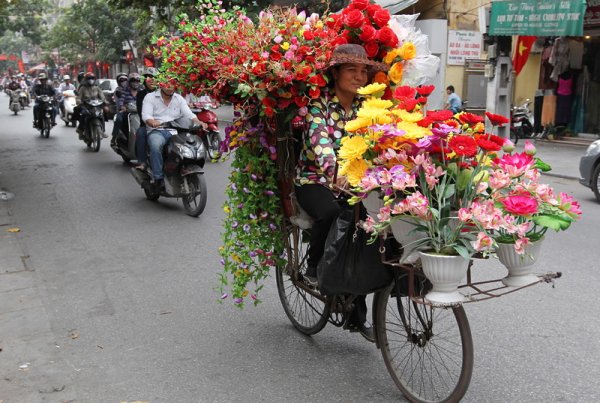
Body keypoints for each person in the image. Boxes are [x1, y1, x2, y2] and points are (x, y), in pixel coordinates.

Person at [294, 44, 388, 342]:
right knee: (334, 213)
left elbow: (381, 142)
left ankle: (355, 308)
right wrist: (340, 176)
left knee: (367, 230)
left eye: (363, 71)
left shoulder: (367, 108)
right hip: (314, 180)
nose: (359, 77)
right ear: (335, 72)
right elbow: (321, 146)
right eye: (351, 70)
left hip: (356, 184)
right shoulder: (318, 106)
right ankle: (313, 266)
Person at [141, 80, 202, 188]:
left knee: (190, 145)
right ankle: (158, 178)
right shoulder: (150, 97)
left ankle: (181, 168)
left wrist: (199, 122)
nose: (170, 87)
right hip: (158, 131)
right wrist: (152, 122)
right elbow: (146, 115)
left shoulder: (179, 98)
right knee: (155, 146)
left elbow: (188, 114)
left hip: (176, 131)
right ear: (161, 84)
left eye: (173, 84)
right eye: (167, 84)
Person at [134, 67, 158, 169]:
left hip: (165, 124)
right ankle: (142, 162)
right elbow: (141, 113)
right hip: (147, 124)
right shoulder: (141, 94)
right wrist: (151, 121)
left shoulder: (164, 92)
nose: (151, 81)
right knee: (140, 133)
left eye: (154, 78)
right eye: (148, 78)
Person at [111, 72, 140, 146]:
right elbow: (121, 101)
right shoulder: (123, 90)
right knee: (119, 119)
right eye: (133, 81)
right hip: (127, 111)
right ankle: (114, 138)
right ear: (129, 82)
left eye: (137, 81)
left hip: (138, 112)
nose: (135, 83)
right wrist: (122, 107)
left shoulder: (141, 91)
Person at [75, 72, 107, 139]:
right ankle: (80, 130)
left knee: (101, 115)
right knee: (83, 115)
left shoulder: (97, 88)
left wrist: (105, 102)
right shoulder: (82, 88)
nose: (91, 80)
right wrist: (79, 102)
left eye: (92, 78)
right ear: (86, 79)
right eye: (89, 78)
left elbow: (102, 97)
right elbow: (78, 97)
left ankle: (103, 131)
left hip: (96, 106)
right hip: (86, 106)